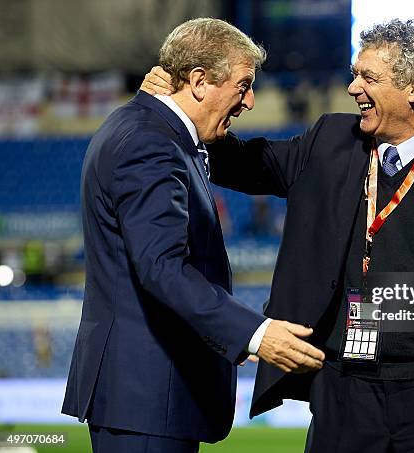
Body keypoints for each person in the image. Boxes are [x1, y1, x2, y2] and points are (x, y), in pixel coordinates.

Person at [143, 18, 414, 453]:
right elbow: (241, 164)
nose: (353, 88)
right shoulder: (332, 140)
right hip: (345, 398)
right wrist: (178, 107)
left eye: (368, 77)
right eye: (355, 75)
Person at [63, 18, 324, 453]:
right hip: (147, 398)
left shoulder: (148, 128)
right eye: (242, 85)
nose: (249, 101)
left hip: (148, 398)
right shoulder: (151, 143)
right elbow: (162, 268)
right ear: (200, 81)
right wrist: (257, 333)